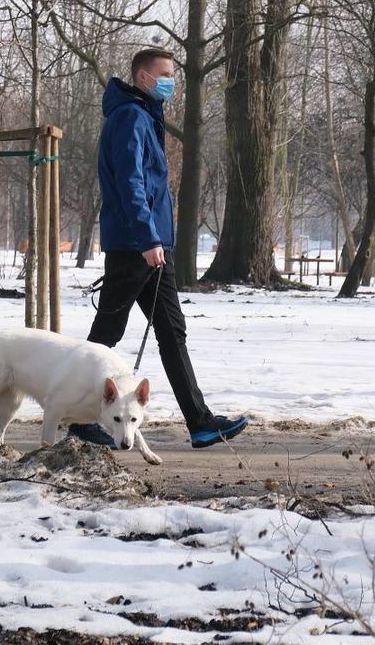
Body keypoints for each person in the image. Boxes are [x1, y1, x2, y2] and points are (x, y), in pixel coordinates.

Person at [69, 48, 248, 449]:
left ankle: (201, 423)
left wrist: (157, 239)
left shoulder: (146, 116)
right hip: (136, 246)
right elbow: (131, 183)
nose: (172, 82)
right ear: (144, 78)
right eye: (166, 74)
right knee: (105, 334)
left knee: (172, 333)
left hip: (153, 247)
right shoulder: (131, 117)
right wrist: (148, 237)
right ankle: (79, 420)